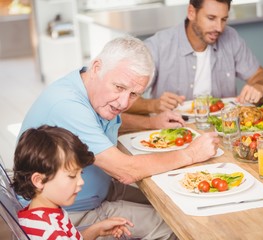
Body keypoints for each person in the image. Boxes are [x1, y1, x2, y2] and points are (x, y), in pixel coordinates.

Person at [19, 35, 219, 239]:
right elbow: (126, 170)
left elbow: (104, 116)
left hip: (95, 190)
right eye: (120, 88)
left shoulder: (88, 87)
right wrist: (191, 154)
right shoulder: (68, 106)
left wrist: (152, 123)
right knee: (176, 225)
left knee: (174, 199)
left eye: (134, 94)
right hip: (73, 210)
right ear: (97, 67)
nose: (124, 102)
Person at [126, 0, 263, 114]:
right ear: (191, 12)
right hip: (174, 132)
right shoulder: (158, 45)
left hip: (223, 129)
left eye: (223, 19)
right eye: (211, 18)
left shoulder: (231, 38)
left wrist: (259, 86)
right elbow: (122, 95)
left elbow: (261, 75)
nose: (219, 28)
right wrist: (153, 105)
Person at [12, 125, 134, 240]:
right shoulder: (50, 233)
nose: (81, 182)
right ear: (39, 181)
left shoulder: (40, 215)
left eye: (80, 173)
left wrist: (97, 229)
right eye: (72, 176)